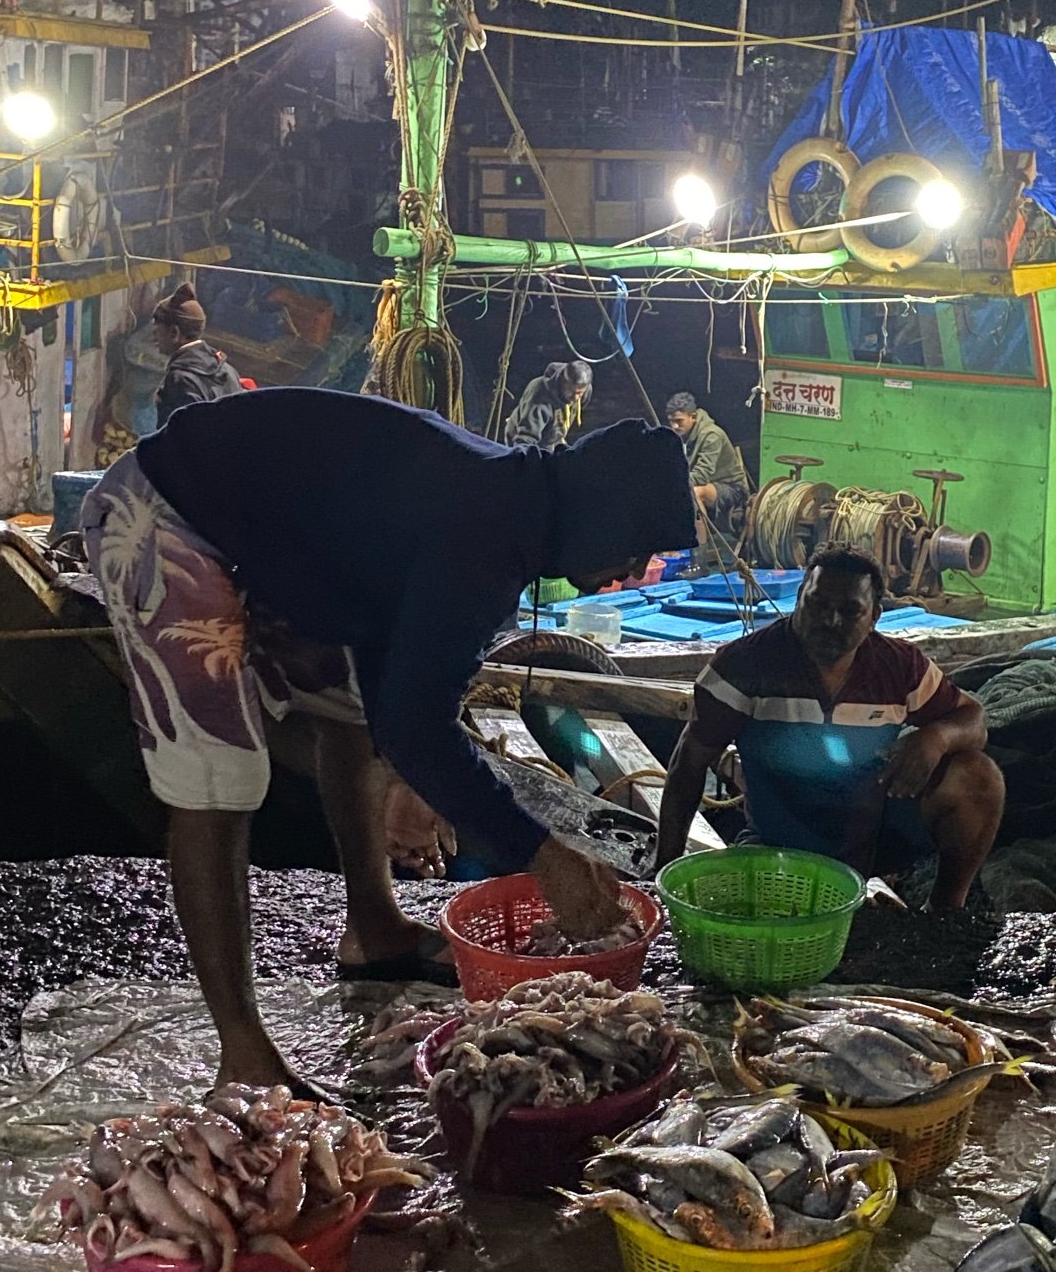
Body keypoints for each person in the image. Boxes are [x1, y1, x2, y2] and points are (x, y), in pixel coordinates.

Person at [82, 386, 694, 1089]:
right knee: (221, 779)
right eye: (638, 546)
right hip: (168, 511)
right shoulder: (488, 532)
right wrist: (541, 854)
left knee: (349, 717)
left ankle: (375, 930)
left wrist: (413, 764)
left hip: (284, 544)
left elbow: (397, 698)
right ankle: (242, 1050)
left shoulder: (512, 505)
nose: (633, 571)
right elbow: (416, 725)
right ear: (600, 514)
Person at [657, 544, 1005, 910]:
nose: (830, 620)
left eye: (850, 611)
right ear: (798, 600)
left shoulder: (900, 667)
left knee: (979, 776)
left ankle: (945, 912)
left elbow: (973, 719)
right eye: (818, 604)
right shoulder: (742, 666)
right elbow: (688, 765)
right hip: (778, 843)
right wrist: (663, 870)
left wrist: (936, 737)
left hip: (872, 833)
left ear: (874, 617)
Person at [664, 389, 750, 558]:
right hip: (704, 483)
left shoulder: (712, 435)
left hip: (731, 489)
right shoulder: (680, 435)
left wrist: (672, 484)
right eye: (671, 421)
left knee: (695, 493)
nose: (674, 426)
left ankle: (699, 558)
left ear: (693, 417)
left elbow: (701, 476)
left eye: (679, 421)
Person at [151, 283, 246, 425]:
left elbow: (179, 439)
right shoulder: (227, 369)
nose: (154, 336)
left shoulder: (179, 381)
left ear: (174, 333)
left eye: (157, 330)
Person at [503, 357, 592, 449]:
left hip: (552, 437)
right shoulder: (539, 395)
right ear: (563, 382)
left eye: (579, 394)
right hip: (523, 435)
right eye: (571, 392)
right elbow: (526, 439)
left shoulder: (585, 390)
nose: (575, 398)